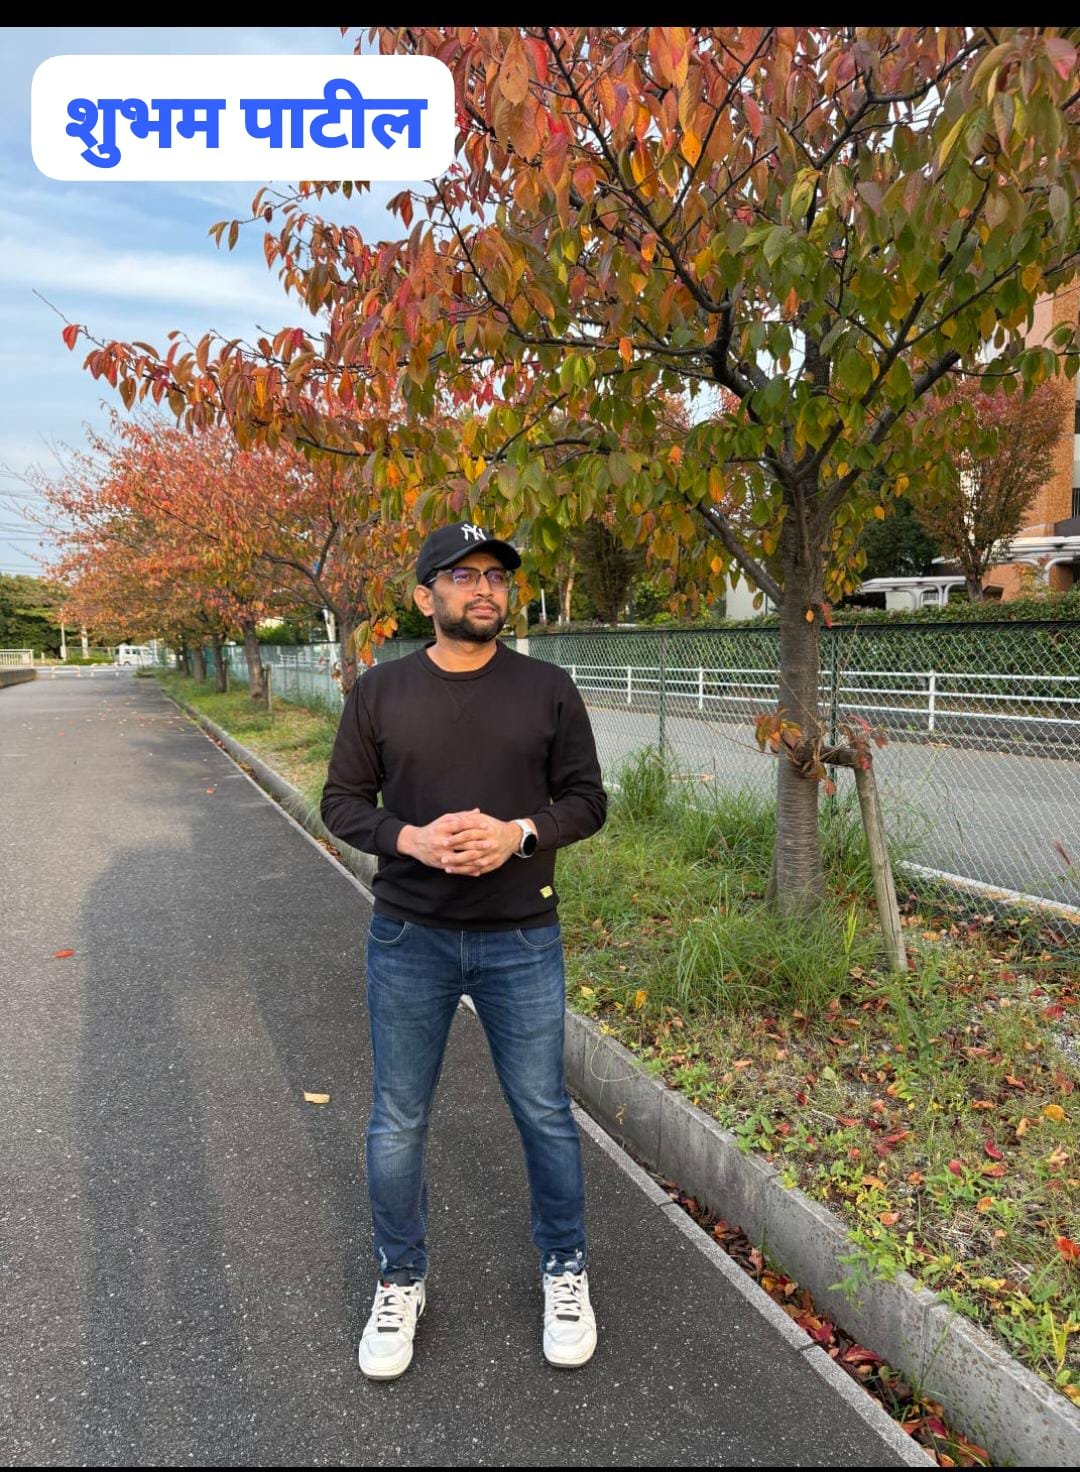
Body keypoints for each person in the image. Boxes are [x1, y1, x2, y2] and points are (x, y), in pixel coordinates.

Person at [320, 521, 608, 1380]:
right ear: (426, 597)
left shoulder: (548, 688)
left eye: (497, 576)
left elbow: (587, 800)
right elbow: (341, 803)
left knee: (544, 1111)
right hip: (410, 934)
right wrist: (409, 839)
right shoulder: (380, 692)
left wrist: (519, 834)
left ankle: (565, 1269)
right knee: (398, 1116)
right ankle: (399, 1278)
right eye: (463, 575)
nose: (485, 588)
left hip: (522, 934)